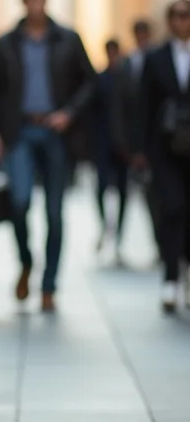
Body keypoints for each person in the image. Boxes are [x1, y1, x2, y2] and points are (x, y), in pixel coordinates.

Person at [0, 0, 95, 312]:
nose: (38, 5)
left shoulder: (68, 40)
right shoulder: (6, 43)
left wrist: (69, 114)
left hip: (56, 133)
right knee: (18, 203)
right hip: (19, 133)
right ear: (23, 2)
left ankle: (49, 285)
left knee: (55, 213)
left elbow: (90, 83)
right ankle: (27, 261)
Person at [134, 0, 190, 313]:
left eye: (187, 14)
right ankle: (170, 276)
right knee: (171, 209)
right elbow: (144, 106)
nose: (182, 21)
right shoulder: (156, 58)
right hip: (165, 149)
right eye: (176, 15)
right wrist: (140, 149)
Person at [112, 18, 162, 261]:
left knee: (157, 197)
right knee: (126, 194)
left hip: (158, 141)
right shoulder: (126, 65)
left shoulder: (159, 60)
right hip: (131, 143)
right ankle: (118, 242)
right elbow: (121, 107)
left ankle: (161, 244)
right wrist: (125, 144)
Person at [92, 39, 129, 261]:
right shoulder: (100, 79)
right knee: (101, 188)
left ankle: (118, 236)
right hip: (103, 144)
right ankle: (106, 226)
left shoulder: (127, 79)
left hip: (123, 146)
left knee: (123, 191)